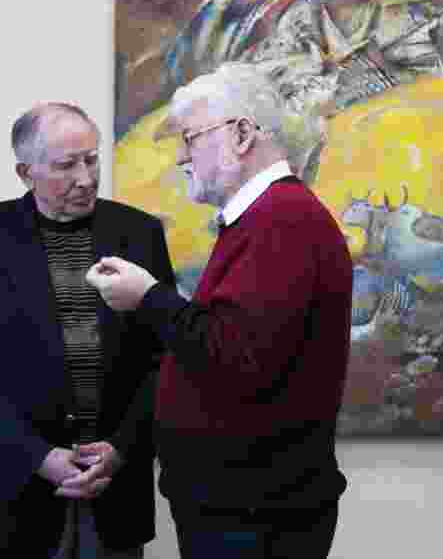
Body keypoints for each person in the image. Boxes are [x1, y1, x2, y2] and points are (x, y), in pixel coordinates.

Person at [86, 62, 353, 559]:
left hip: (256, 515)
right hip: (243, 507)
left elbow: (232, 353)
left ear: (243, 134)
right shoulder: (267, 219)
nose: (180, 158)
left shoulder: (282, 222)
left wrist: (148, 297)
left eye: (190, 138)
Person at [0, 102, 176, 558]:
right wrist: (40, 458)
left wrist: (122, 448)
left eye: (92, 159)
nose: (85, 178)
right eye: (66, 166)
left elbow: (164, 361)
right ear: (26, 173)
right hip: (15, 494)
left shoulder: (139, 233)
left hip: (116, 492)